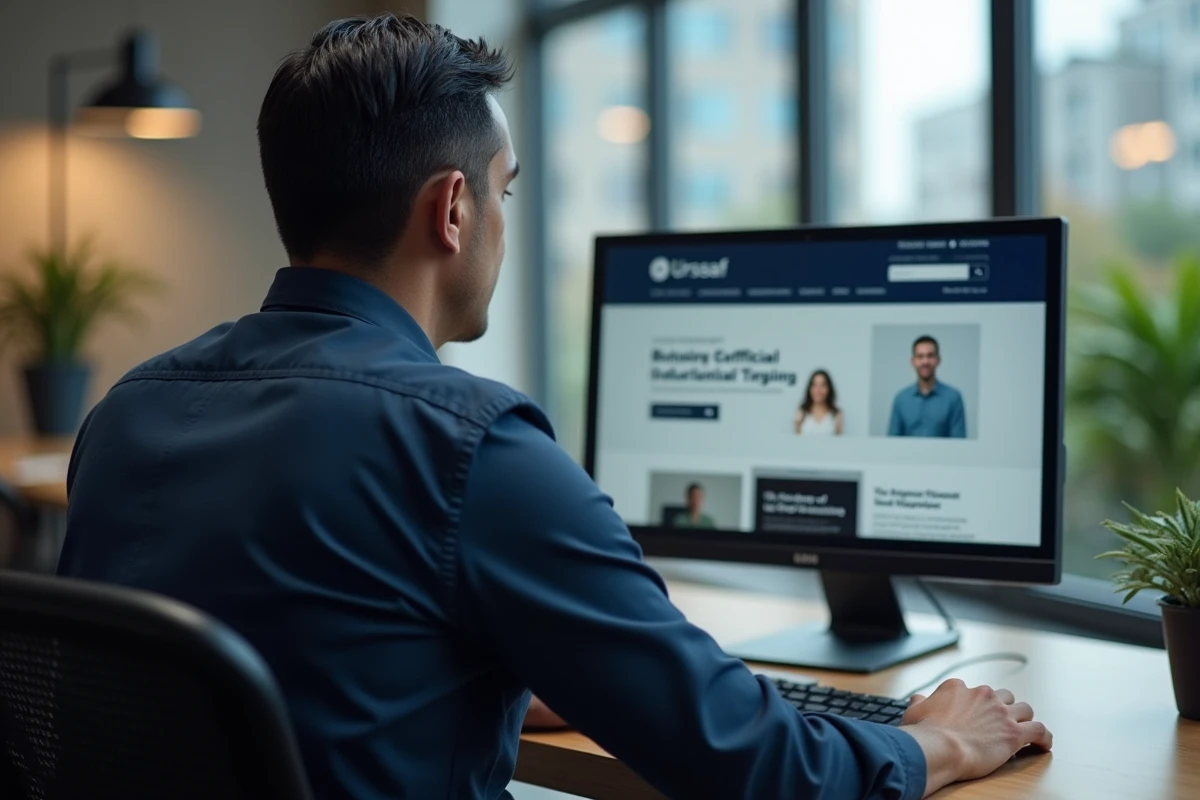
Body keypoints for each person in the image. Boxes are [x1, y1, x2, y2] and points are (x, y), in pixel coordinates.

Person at [57, 14, 1050, 800]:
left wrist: (478, 672)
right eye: (506, 190)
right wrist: (938, 742)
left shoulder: (128, 413)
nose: (502, 220)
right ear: (453, 210)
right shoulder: (471, 446)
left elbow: (276, 659)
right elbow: (761, 767)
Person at [887, 335, 968, 438]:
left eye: (930, 356)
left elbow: (959, 443)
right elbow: (892, 441)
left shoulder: (953, 398)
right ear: (913, 361)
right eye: (920, 356)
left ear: (938, 360)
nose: (925, 362)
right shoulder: (901, 399)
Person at [794, 369, 844, 436]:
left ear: (829, 389)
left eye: (823, 385)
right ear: (810, 388)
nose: (818, 390)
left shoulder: (837, 414)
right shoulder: (801, 413)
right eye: (815, 385)